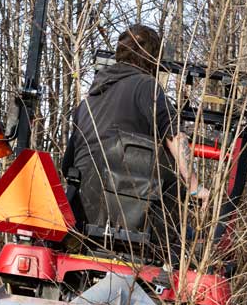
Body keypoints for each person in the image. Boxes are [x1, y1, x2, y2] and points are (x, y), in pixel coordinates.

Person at [60, 25, 209, 260]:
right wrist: (194, 187)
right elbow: (174, 137)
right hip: (135, 223)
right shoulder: (145, 86)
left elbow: (66, 164)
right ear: (153, 59)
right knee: (191, 243)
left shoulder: (86, 105)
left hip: (84, 218)